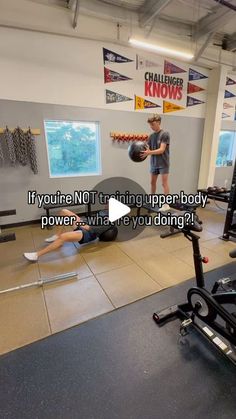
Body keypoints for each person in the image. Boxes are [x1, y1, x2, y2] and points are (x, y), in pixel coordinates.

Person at [23, 209, 100, 262]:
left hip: (89, 233)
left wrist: (87, 226)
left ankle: (36, 255)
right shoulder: (105, 211)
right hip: (87, 224)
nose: (106, 205)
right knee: (64, 212)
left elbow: (98, 229)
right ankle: (57, 235)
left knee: (63, 237)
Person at [141, 114, 170, 209]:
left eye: (153, 124)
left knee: (164, 183)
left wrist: (149, 152)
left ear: (158, 123)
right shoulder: (151, 136)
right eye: (150, 125)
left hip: (163, 163)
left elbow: (162, 150)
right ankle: (152, 200)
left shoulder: (164, 134)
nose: (151, 127)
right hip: (154, 163)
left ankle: (166, 204)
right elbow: (148, 148)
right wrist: (142, 150)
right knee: (152, 182)